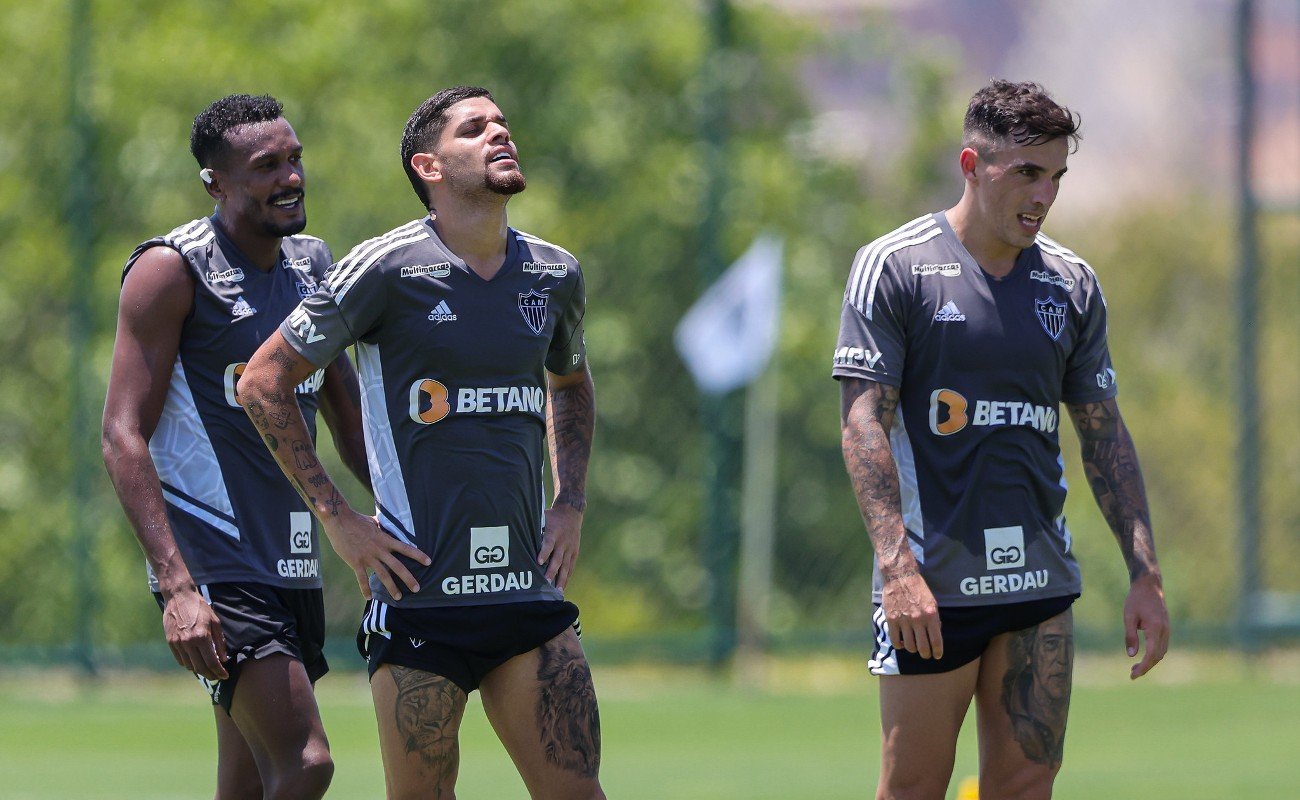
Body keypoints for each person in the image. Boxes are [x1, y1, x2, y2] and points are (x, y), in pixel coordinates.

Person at [237, 85, 603, 800]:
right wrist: (340, 521)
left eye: (502, 122)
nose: (500, 133)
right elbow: (262, 383)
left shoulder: (554, 273)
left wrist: (571, 504)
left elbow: (571, 384)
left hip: (526, 594)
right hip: (419, 600)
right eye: (475, 128)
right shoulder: (385, 267)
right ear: (428, 167)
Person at [834, 79, 1170, 799]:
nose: (1045, 195)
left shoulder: (1071, 284)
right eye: (1027, 172)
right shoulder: (895, 267)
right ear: (971, 165)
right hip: (931, 591)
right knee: (912, 788)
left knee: (1025, 786)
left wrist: (1145, 573)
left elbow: (1104, 434)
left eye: (1057, 177)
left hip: (1038, 588)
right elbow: (863, 424)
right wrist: (897, 570)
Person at [102, 93, 424, 799]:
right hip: (217, 563)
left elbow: (349, 420)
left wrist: (412, 521)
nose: (291, 177)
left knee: (249, 782)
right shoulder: (171, 270)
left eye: (295, 159)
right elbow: (122, 436)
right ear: (215, 183)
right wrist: (176, 587)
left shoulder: (313, 267)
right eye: (267, 166)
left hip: (293, 560)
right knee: (306, 763)